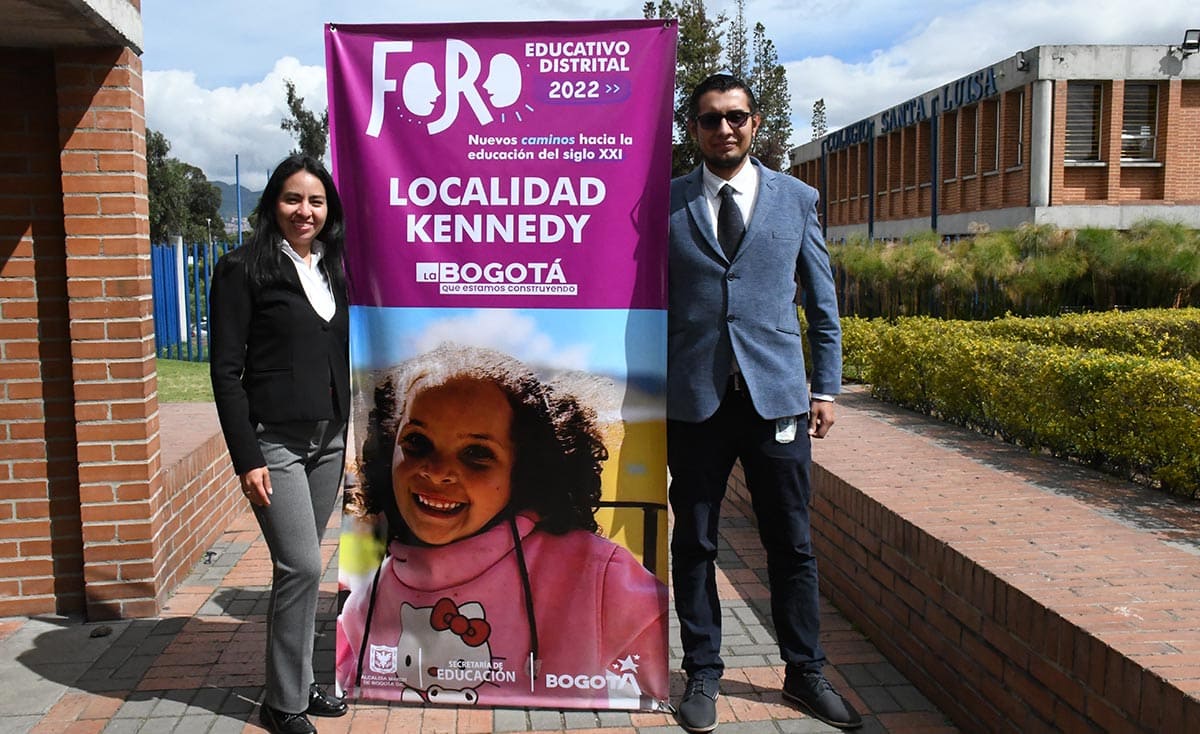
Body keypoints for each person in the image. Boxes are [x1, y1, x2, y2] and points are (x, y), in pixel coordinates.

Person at [666, 73, 862, 731]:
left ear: (755, 123)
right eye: (710, 119)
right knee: (694, 541)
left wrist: (825, 387)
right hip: (693, 401)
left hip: (775, 397)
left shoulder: (796, 199)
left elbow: (822, 303)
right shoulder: (663, 206)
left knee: (792, 542)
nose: (724, 128)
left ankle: (805, 673)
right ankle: (702, 673)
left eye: (736, 117)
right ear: (691, 129)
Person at [336, 343, 669, 710]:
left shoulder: (600, 577)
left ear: (523, 471)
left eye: (476, 453)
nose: (437, 471)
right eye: (416, 442)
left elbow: (650, 680)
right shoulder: (370, 594)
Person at [209, 154, 351, 734]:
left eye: (316, 201)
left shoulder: (334, 268)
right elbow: (224, 372)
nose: (304, 211)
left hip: (330, 440)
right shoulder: (242, 270)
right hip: (278, 445)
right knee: (301, 565)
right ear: (273, 204)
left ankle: (295, 683)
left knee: (300, 571)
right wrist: (247, 459)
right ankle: (282, 703)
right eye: (293, 199)